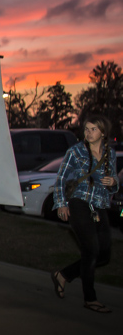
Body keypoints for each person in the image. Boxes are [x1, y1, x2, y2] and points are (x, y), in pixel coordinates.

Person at [51, 114, 117, 314]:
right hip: (79, 203)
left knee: (104, 253)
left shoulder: (110, 153)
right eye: (86, 129)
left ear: (103, 132)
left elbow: (113, 178)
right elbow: (61, 178)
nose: (88, 133)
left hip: (99, 205)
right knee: (91, 250)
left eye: (93, 129)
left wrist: (113, 182)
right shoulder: (76, 151)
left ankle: (63, 275)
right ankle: (90, 299)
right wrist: (61, 204)